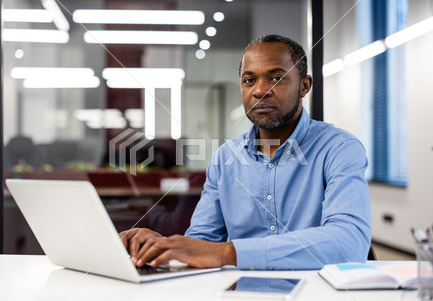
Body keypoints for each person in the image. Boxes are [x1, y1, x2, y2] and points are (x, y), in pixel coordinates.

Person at [120, 34, 372, 270]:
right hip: (241, 297)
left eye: (276, 78)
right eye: (249, 80)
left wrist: (230, 253)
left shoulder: (339, 149)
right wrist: (163, 246)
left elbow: (348, 243)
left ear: (304, 86)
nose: (260, 90)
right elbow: (201, 241)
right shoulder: (225, 157)